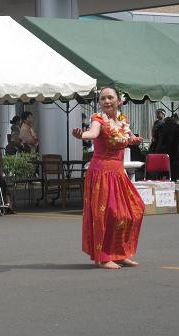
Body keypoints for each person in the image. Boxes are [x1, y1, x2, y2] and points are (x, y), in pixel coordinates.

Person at [72, 86, 144, 270]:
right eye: (103, 98)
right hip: (101, 173)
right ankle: (104, 257)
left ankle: (121, 253)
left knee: (133, 211)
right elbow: (93, 133)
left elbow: (127, 137)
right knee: (108, 215)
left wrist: (134, 140)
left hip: (119, 173)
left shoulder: (122, 120)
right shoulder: (98, 119)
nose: (107, 101)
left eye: (110, 97)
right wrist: (82, 136)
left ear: (119, 101)